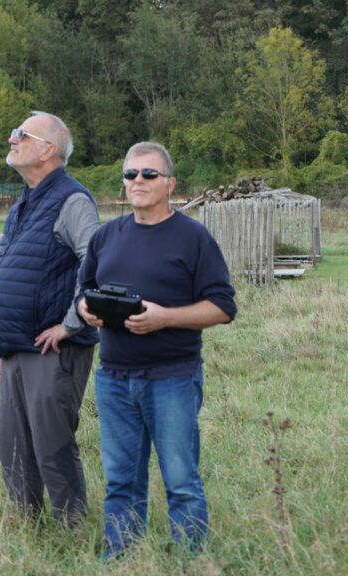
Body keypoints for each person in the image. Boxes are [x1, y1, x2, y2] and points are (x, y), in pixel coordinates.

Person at [77, 141, 236, 557]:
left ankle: (188, 559)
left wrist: (166, 317)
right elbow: (83, 290)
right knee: (121, 480)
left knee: (181, 480)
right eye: (131, 174)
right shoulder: (106, 235)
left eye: (149, 174)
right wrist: (85, 309)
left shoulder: (193, 238)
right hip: (113, 377)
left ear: (170, 184)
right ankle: (122, 558)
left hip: (172, 377)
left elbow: (222, 306)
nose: (138, 182)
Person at [0, 111, 100, 525]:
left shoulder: (72, 200)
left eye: (22, 134)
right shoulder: (23, 204)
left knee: (52, 445)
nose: (12, 138)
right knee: (12, 446)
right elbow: (12, 272)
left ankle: (72, 529)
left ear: (49, 149)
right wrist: (2, 346)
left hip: (54, 350)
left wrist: (72, 323)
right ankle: (28, 529)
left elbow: (96, 263)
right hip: (18, 349)